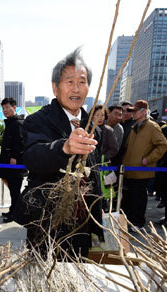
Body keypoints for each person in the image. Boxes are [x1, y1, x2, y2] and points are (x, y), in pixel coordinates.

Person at [19, 48, 102, 258]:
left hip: (82, 219)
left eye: (82, 82)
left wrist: (99, 208)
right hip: (48, 218)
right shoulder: (38, 120)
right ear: (55, 88)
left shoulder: (92, 126)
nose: (76, 88)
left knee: (78, 269)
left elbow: (95, 173)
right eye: (70, 81)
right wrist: (63, 148)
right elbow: (33, 156)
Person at [114, 99, 167, 228]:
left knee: (138, 200)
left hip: (141, 172)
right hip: (129, 171)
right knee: (127, 199)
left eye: (135, 111)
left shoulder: (152, 127)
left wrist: (148, 159)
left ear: (144, 112)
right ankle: (127, 223)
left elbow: (163, 145)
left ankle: (138, 223)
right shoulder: (135, 127)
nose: (133, 114)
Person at [0, 97, 27, 223]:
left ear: (14, 108)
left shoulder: (17, 123)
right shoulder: (10, 122)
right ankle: (12, 210)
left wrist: (14, 156)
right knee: (13, 189)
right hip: (7, 162)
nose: (5, 110)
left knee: (15, 190)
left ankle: (16, 214)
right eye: (3, 108)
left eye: (7, 107)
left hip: (14, 163)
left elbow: (20, 141)